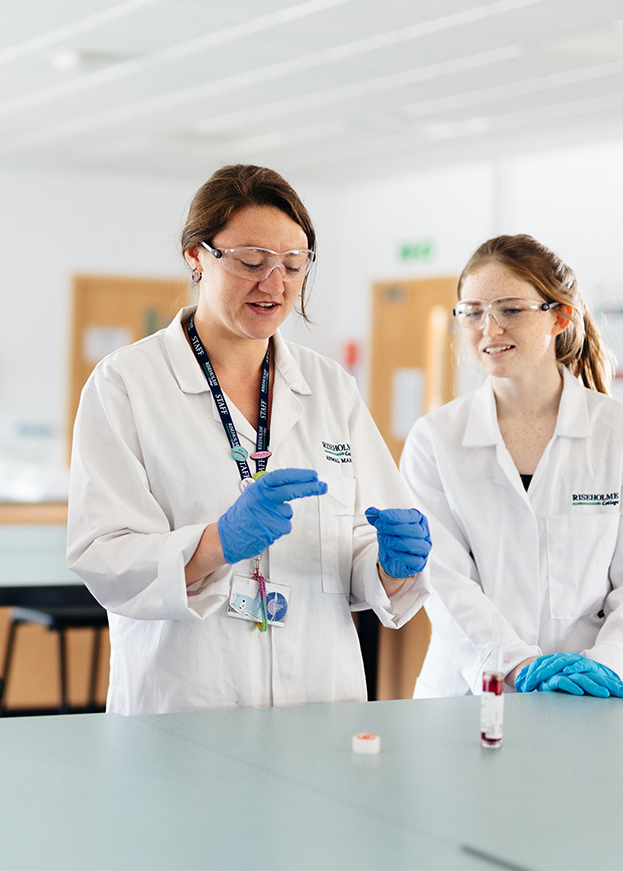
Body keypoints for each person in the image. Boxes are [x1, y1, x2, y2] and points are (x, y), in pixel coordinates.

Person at [67, 164, 431, 716]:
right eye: (251, 262)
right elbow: (103, 555)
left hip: (317, 703)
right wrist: (216, 542)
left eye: (293, 264)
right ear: (197, 256)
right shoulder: (127, 384)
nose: (274, 284)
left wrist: (389, 565)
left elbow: (358, 545)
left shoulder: (329, 388)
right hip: (187, 703)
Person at [402, 234, 623, 699]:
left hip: (591, 692)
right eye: (472, 311)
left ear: (560, 317)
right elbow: (442, 578)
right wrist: (516, 665)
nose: (489, 328)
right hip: (470, 692)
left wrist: (610, 664)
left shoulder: (621, 432)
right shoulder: (435, 439)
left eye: (510, 309)